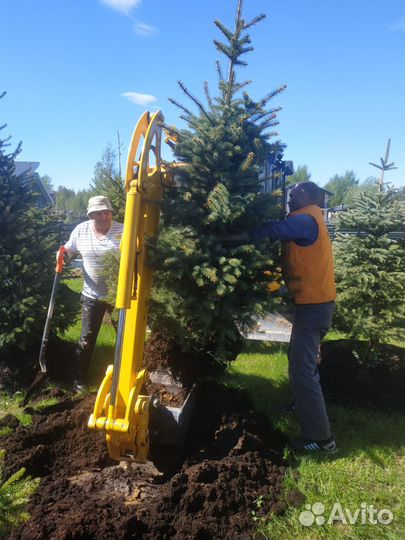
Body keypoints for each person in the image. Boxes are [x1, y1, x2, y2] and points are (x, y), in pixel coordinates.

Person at [225, 182, 337, 454]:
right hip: (316, 302)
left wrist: (241, 235)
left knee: (302, 368)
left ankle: (322, 440)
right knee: (300, 359)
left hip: (314, 307)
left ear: (308, 196)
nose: (290, 198)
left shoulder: (306, 219)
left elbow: (276, 230)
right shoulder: (312, 218)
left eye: (295, 194)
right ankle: (303, 403)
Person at [64, 195, 124, 392]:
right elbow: (69, 250)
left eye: (107, 212)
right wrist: (63, 255)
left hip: (120, 296)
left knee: (124, 339)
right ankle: (79, 381)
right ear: (91, 215)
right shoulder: (81, 230)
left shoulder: (123, 230)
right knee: (86, 339)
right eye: (99, 213)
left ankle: (125, 378)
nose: (104, 216)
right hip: (91, 295)